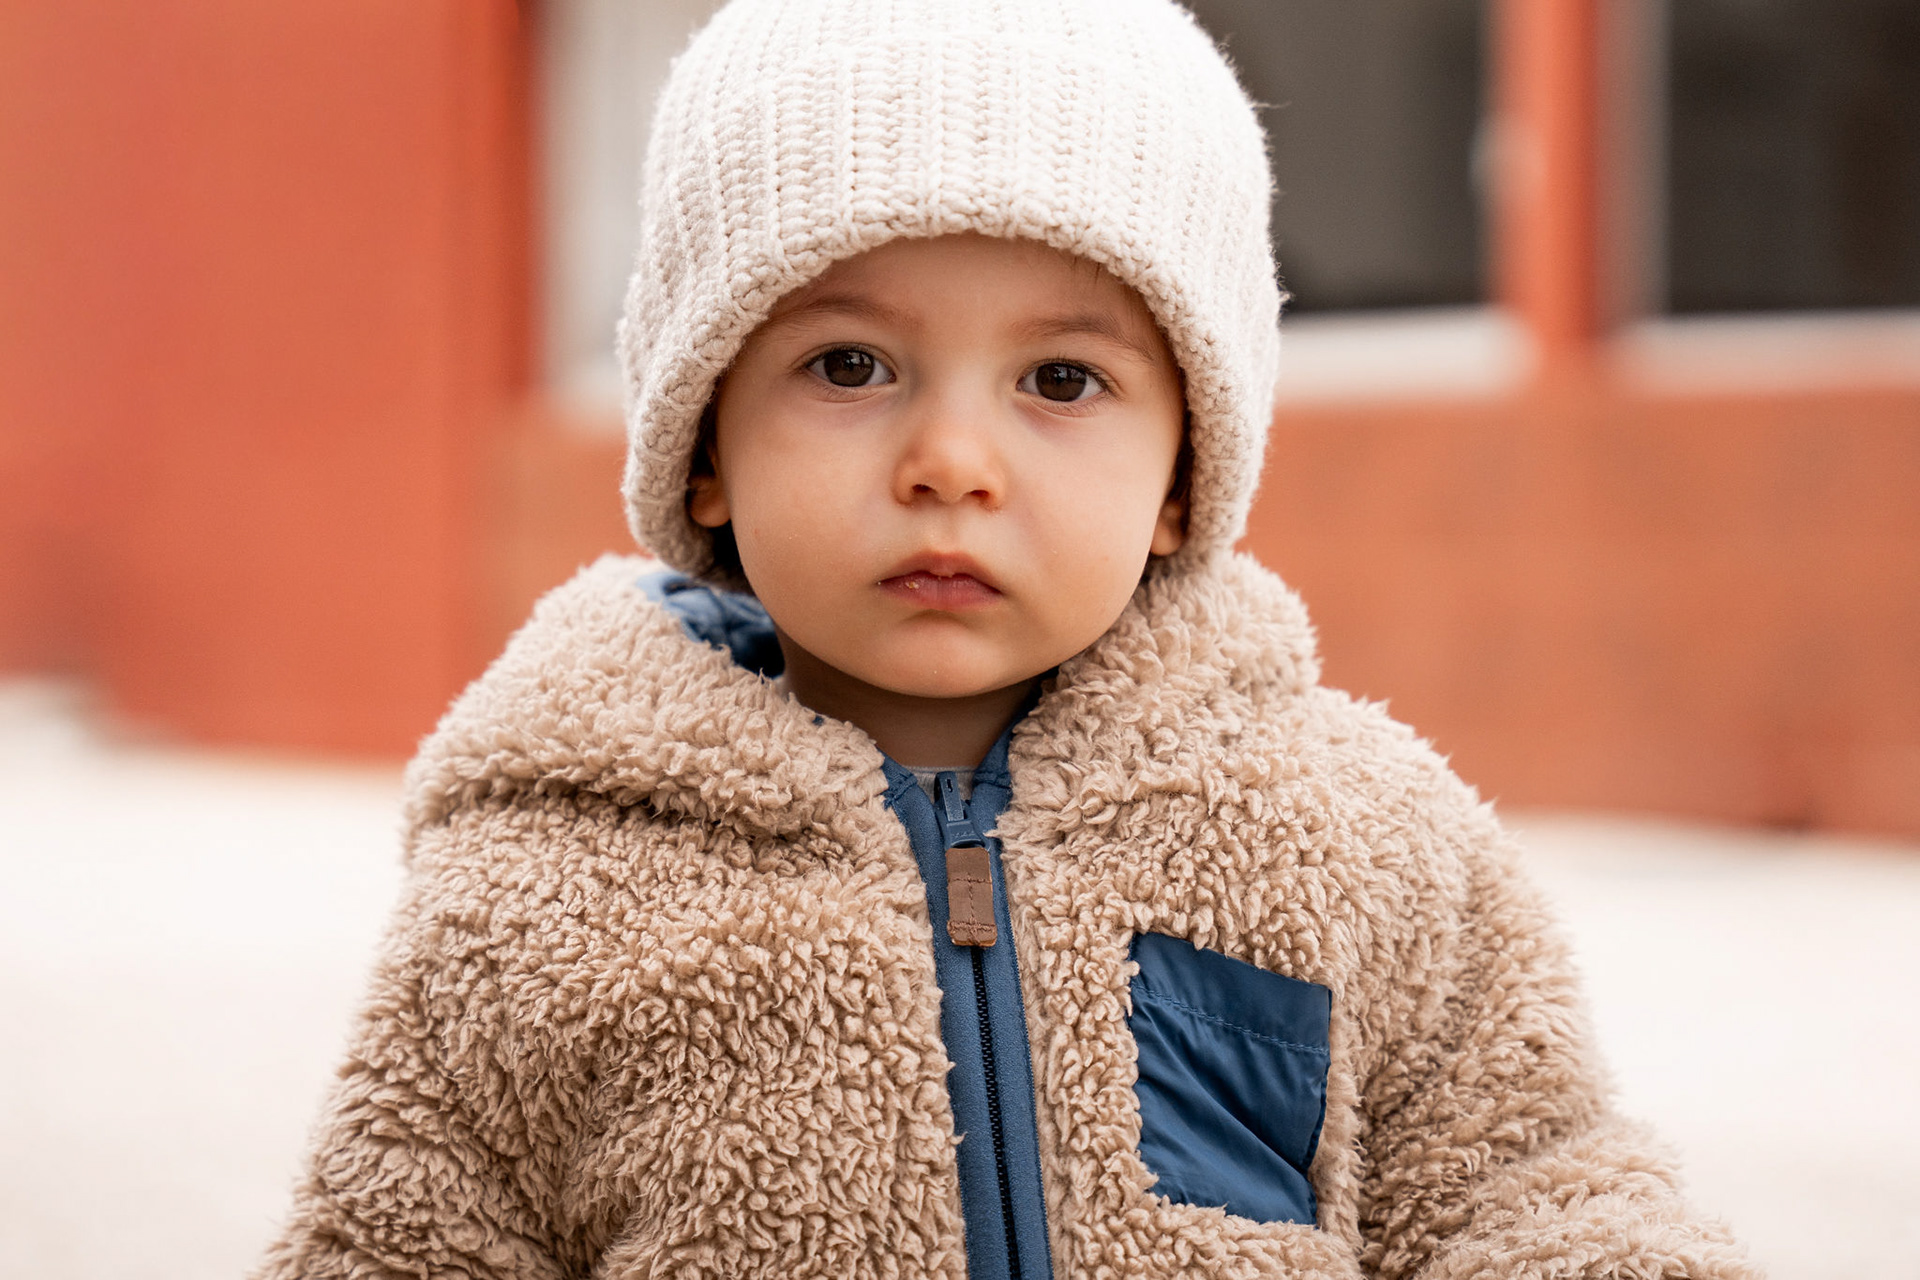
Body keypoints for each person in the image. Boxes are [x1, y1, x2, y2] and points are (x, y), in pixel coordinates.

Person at [256, 0, 1755, 1276]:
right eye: (850, 365)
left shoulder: (1363, 845)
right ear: (704, 445)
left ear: (1184, 476)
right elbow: (397, 1244)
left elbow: (1532, 1194)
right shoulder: (538, 896)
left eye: (1061, 381)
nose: (952, 461)